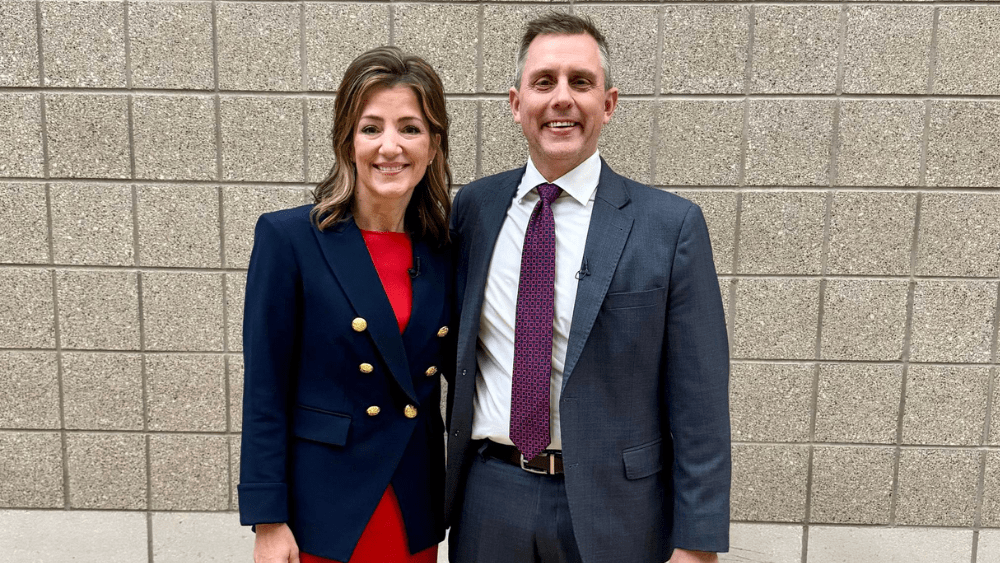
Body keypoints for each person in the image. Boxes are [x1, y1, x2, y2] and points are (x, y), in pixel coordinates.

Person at [445, 13, 731, 563]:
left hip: (618, 509)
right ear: (515, 102)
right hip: (490, 498)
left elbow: (700, 399)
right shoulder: (474, 210)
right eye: (544, 82)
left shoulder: (670, 226)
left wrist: (697, 544)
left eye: (581, 82)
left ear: (609, 103)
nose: (562, 99)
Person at [239, 46, 453, 563]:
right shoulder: (289, 239)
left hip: (412, 497)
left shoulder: (446, 249)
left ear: (433, 145)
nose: (390, 147)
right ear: (347, 140)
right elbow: (264, 387)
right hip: (325, 504)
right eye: (371, 127)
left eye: (410, 128)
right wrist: (268, 520)